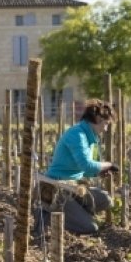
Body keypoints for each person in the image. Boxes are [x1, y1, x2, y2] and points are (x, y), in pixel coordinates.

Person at [42, 98, 119, 235]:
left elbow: (84, 169)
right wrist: (109, 164)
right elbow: (87, 165)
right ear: (97, 118)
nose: (106, 129)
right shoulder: (77, 134)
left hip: (72, 187)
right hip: (57, 187)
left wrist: (98, 172)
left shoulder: (90, 137)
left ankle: (74, 215)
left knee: (106, 199)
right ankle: (47, 215)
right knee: (90, 228)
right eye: (106, 124)